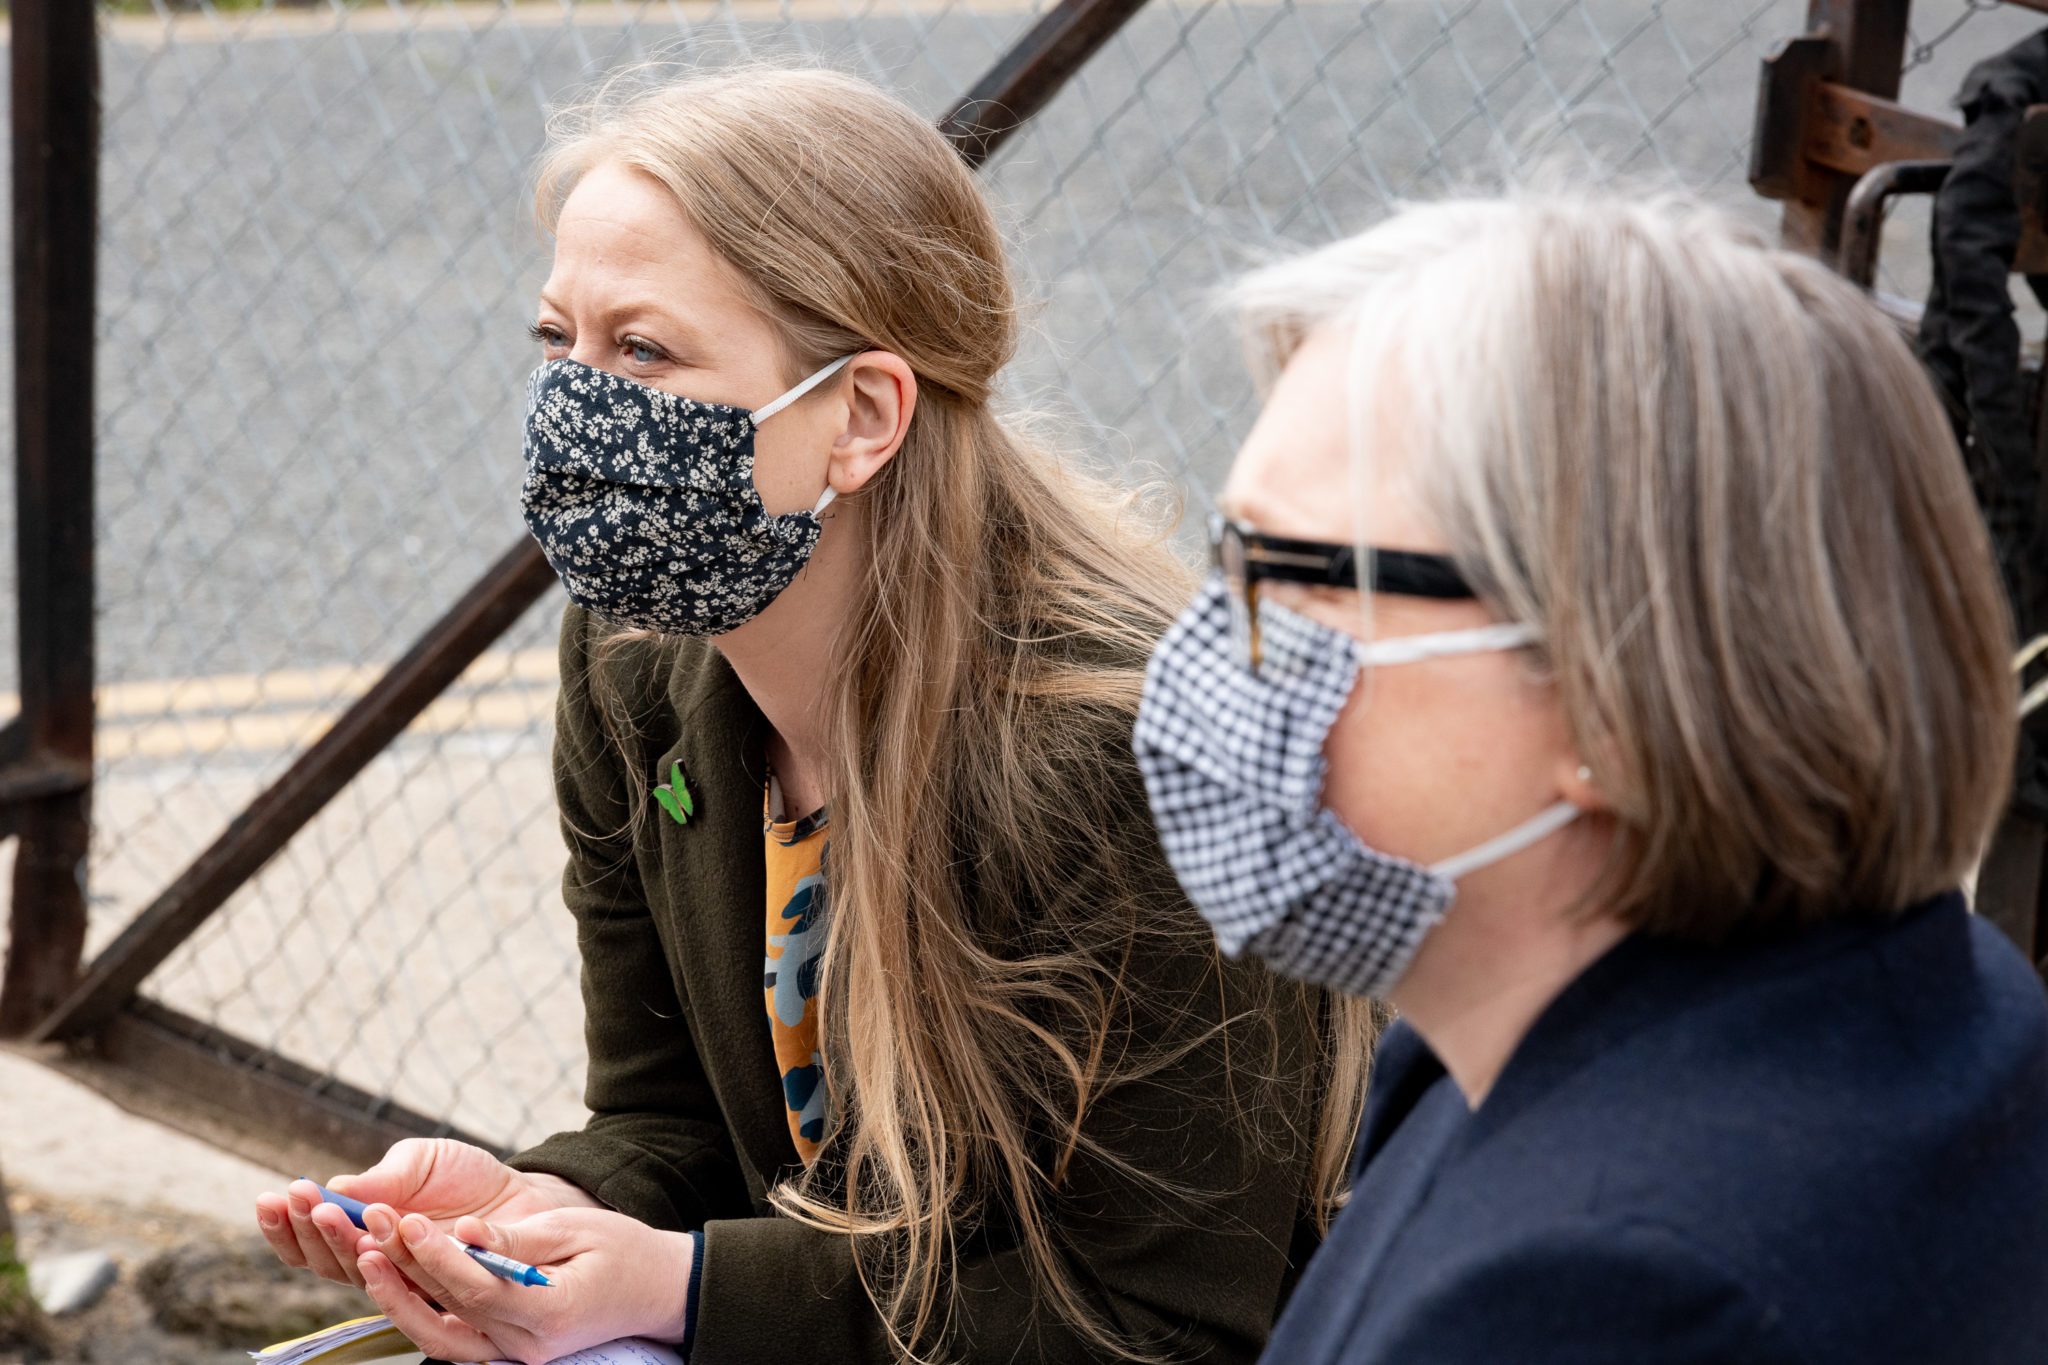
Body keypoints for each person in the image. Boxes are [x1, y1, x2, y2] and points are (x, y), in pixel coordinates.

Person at [252, 66, 1376, 1365]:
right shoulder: (634, 667)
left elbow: (1164, 1322)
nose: (576, 406)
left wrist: (683, 1289)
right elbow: (669, 1122)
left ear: (861, 415)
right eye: (558, 341)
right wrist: (544, 1205)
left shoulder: (1131, 755)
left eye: (644, 351)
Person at [1132, 194, 2048, 1363]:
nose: (1207, 645)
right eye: (1226, 560)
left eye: (1292, 575)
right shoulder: (1913, 996)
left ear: (1610, 693)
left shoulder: (1596, 1295)